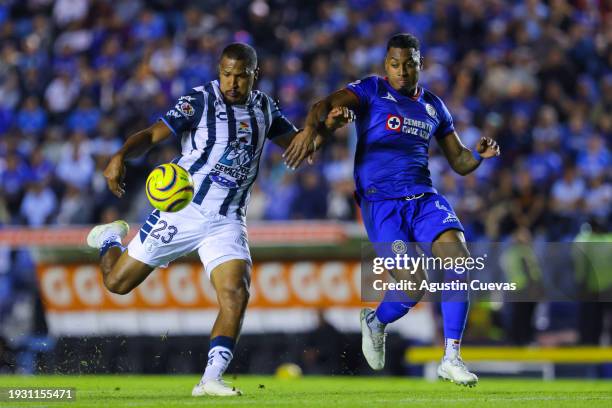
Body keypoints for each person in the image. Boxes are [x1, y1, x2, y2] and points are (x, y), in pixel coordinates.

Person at [86, 43, 351, 397]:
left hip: (227, 219)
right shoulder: (199, 101)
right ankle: (109, 238)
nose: (232, 82)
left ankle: (210, 378)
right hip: (183, 210)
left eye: (240, 75)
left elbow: (300, 147)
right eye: (226, 73)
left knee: (236, 293)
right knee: (117, 284)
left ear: (254, 74)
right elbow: (152, 135)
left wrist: (328, 128)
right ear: (219, 71)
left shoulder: (265, 109)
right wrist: (120, 155)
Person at [284, 33, 500, 386]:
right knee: (414, 286)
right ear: (387, 66)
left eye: (409, 64)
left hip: (424, 198)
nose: (402, 71)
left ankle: (451, 357)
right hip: (382, 205)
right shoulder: (371, 90)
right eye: (395, 65)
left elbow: (459, 161)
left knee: (460, 260)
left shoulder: (434, 107)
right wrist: (311, 130)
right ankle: (376, 320)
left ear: (420, 64)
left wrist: (478, 154)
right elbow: (322, 105)